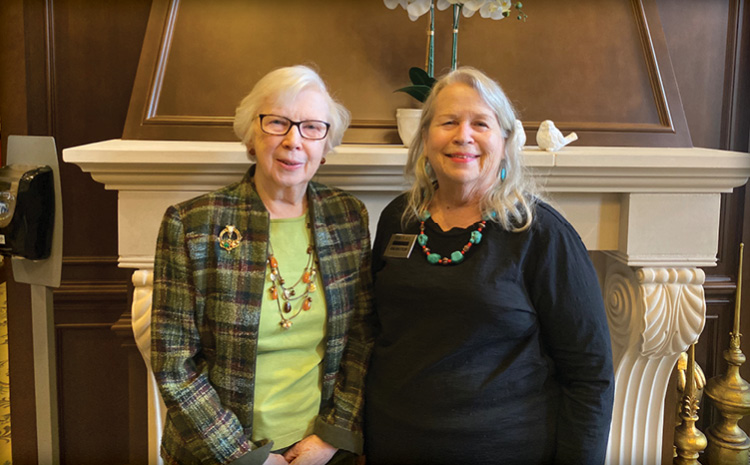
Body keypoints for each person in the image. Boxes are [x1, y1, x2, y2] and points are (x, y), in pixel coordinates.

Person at [364, 67, 614, 465]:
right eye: (448, 122)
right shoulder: (400, 218)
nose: (463, 135)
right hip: (392, 442)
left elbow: (590, 374)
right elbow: (376, 328)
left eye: (480, 123)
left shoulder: (541, 233)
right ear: (426, 137)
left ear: (505, 140)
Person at [151, 65, 373, 465]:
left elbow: (361, 339)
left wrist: (332, 436)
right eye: (277, 123)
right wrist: (244, 457)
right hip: (221, 454)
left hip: (322, 450)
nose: (293, 141)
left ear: (325, 146)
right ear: (252, 137)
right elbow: (174, 363)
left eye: (311, 127)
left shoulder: (348, 217)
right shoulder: (193, 224)